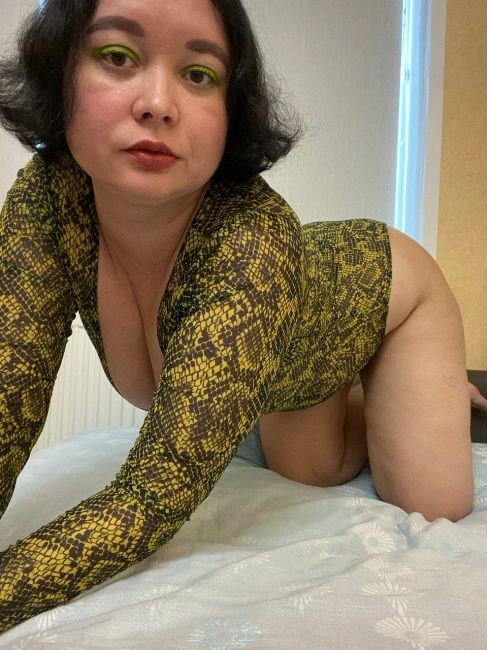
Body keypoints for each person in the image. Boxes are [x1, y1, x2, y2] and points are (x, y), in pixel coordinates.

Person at [0, 0, 473, 633]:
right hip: (294, 337)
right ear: (60, 74)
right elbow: (7, 406)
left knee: (434, 502)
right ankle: (352, 380)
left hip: (394, 290)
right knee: (310, 474)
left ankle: (407, 371)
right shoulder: (44, 200)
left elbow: (150, 497)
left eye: (199, 74)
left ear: (230, 112)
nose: (158, 103)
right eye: (117, 56)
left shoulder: (251, 245)